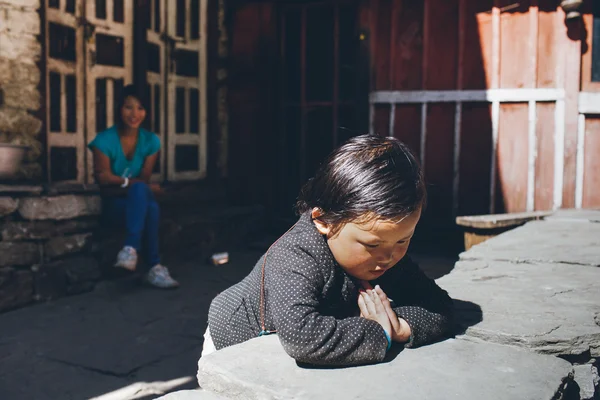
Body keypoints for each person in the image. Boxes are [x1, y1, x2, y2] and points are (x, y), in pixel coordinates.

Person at [203, 134, 453, 366]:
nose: (388, 257)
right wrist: (381, 334)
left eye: (403, 240)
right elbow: (301, 336)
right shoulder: (295, 256)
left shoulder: (386, 255)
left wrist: (400, 327)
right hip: (235, 336)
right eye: (372, 245)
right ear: (323, 220)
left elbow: (440, 305)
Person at [88, 85, 179, 289]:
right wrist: (130, 183)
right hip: (114, 207)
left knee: (147, 202)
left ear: (147, 112)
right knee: (148, 203)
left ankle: (130, 250)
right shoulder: (104, 140)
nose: (134, 114)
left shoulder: (150, 141)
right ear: (119, 109)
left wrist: (122, 182)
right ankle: (154, 267)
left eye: (140, 108)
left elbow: (142, 181)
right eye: (128, 107)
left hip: (136, 202)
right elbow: (103, 181)